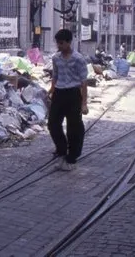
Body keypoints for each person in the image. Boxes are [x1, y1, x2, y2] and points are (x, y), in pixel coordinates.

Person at [48, 29, 89, 171]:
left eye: (61, 43)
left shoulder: (78, 59)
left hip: (73, 94)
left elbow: (84, 82)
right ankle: (61, 148)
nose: (59, 46)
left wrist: (84, 103)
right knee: (53, 124)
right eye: (57, 43)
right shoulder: (55, 58)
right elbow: (55, 76)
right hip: (59, 93)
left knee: (74, 127)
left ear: (69, 42)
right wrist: (51, 90)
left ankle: (72, 155)